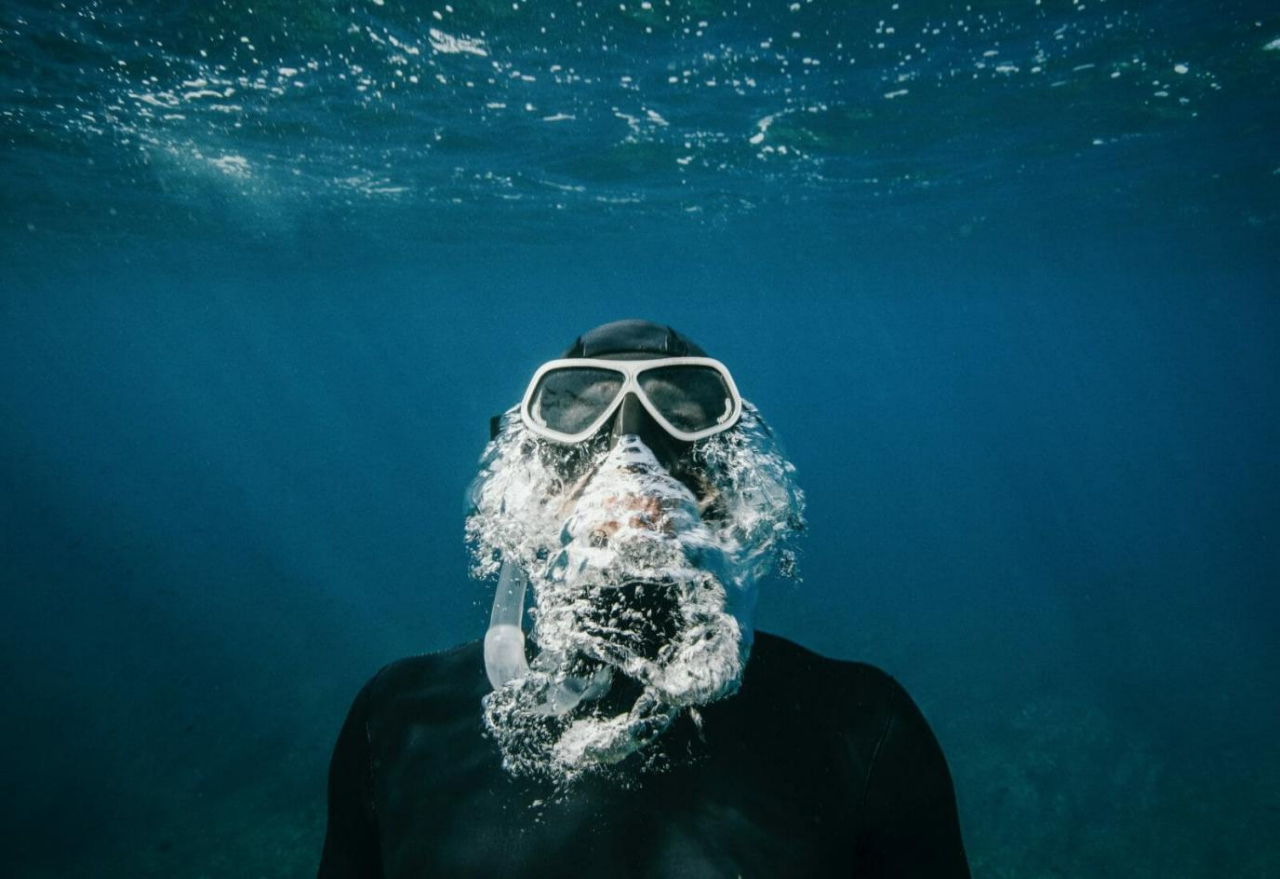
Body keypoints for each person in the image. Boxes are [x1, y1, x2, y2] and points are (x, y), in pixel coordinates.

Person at [319, 319, 970, 878]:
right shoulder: (397, 721)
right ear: (531, 487)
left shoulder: (864, 731)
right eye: (582, 412)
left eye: (676, 419)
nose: (631, 468)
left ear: (726, 489)